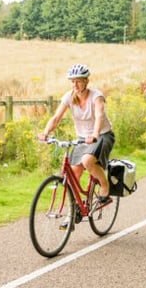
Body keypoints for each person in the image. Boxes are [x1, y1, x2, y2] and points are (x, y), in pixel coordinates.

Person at [38, 63, 115, 205]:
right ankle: (74, 210)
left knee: (87, 161)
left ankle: (105, 186)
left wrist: (95, 135)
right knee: (73, 174)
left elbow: (99, 116)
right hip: (82, 139)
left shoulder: (96, 96)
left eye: (78, 81)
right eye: (73, 82)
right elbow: (56, 118)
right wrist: (45, 133)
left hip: (102, 135)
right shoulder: (68, 97)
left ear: (86, 81)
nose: (75, 84)